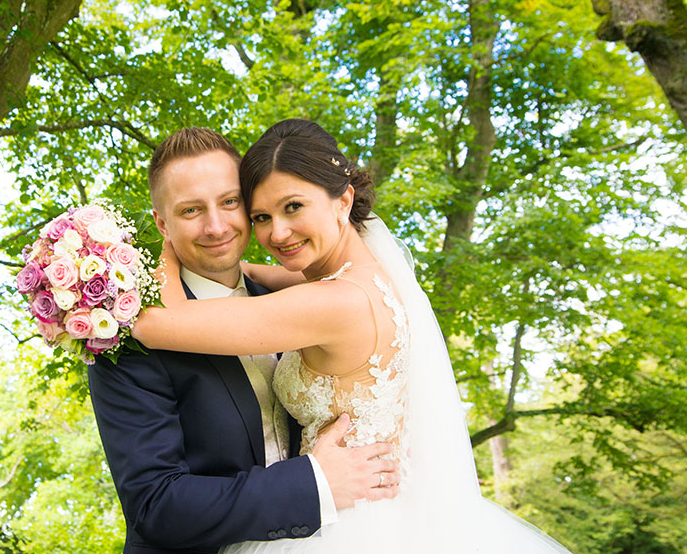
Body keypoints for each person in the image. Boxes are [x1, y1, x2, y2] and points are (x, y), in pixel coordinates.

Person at [133, 119, 574, 553]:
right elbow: (253, 274)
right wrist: (225, 257)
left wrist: (167, 246)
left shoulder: (334, 303)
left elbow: (154, 322)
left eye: (293, 207)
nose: (276, 233)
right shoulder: (365, 280)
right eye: (261, 216)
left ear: (343, 201)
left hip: (348, 524)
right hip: (382, 513)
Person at [87, 127, 400, 554]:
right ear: (162, 222)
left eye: (230, 202)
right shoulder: (123, 340)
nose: (216, 226)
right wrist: (314, 483)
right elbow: (156, 507)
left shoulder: (298, 302)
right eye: (191, 210)